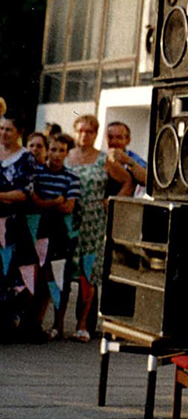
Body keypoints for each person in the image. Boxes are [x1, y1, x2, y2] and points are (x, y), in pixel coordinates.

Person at [65, 114, 131, 341]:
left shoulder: (103, 159)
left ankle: (83, 324)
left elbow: (127, 181)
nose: (84, 135)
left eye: (90, 131)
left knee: (89, 271)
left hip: (93, 219)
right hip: (68, 218)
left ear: (95, 134)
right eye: (80, 131)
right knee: (62, 269)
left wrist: (110, 201)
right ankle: (56, 323)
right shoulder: (66, 156)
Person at [28, 133, 81, 340]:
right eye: (53, 150)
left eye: (61, 151)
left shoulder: (71, 177)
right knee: (35, 274)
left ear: (67, 153)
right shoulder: (37, 174)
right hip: (38, 228)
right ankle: (30, 321)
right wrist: (54, 201)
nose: (56, 155)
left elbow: (68, 207)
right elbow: (33, 201)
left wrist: (44, 202)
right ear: (47, 150)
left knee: (56, 277)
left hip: (59, 232)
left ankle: (53, 324)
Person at [0, 114, 38, 341]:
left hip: (11, 225)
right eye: (1, 128)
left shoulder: (26, 158)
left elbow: (24, 192)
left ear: (19, 132)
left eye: (8, 130)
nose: (3, 133)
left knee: (9, 273)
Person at [104, 121, 147, 196]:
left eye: (119, 138)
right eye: (110, 137)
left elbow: (147, 180)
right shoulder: (100, 157)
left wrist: (128, 161)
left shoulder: (133, 158)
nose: (114, 142)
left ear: (128, 140)